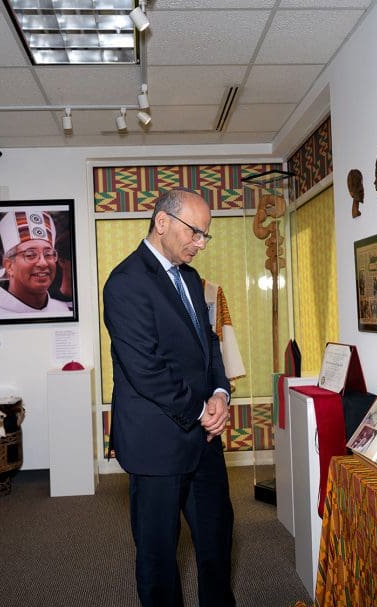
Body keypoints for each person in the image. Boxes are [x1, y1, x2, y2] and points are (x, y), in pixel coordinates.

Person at [103, 188, 235, 607]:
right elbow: (146, 369)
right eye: (195, 232)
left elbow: (208, 344)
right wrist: (201, 410)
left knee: (217, 542)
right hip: (156, 444)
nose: (201, 243)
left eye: (205, 235)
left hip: (204, 439)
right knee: (159, 558)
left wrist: (220, 392)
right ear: (162, 222)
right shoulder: (125, 283)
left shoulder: (191, 279)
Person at [0, 210, 71, 319]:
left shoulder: (63, 310)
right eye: (30, 255)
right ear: (9, 266)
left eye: (48, 254)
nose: (43, 263)